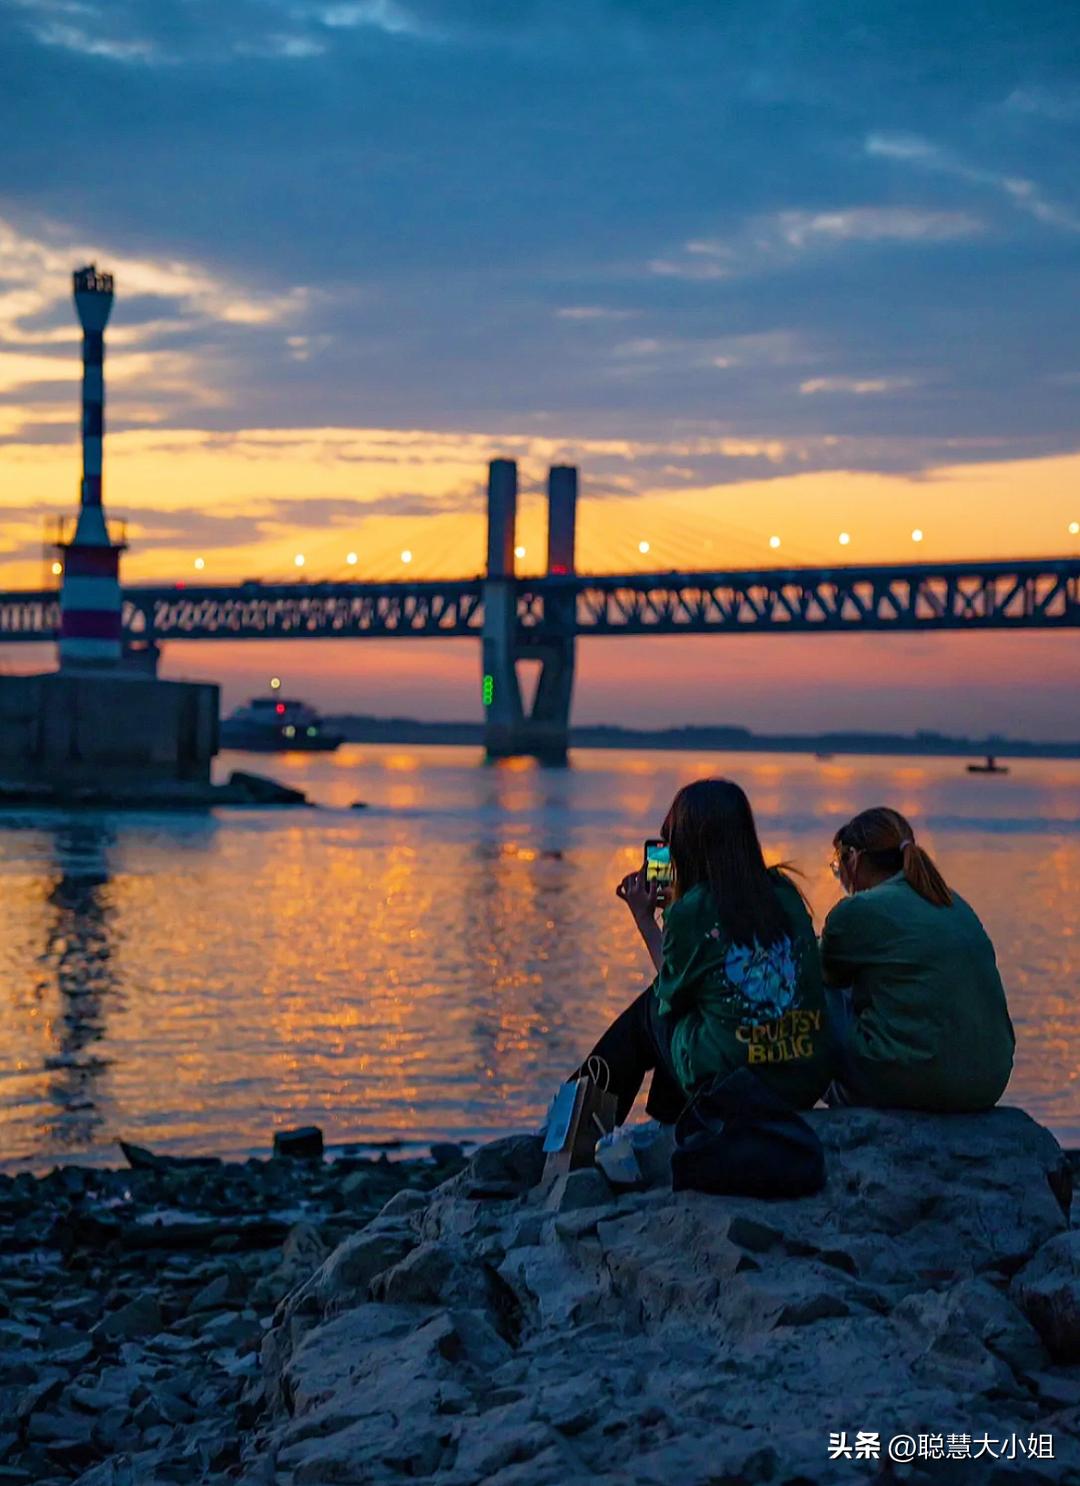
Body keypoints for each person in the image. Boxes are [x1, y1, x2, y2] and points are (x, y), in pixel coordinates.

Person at [578, 779, 831, 1125]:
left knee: (651, 1010)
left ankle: (576, 1123)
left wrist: (645, 919)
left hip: (735, 1086)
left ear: (686, 845)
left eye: (671, 841)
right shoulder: (783, 891)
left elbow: (671, 993)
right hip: (803, 1082)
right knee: (699, 1015)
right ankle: (668, 1120)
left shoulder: (694, 911)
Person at [821, 807, 1014, 1111]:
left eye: (838, 865)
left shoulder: (858, 910)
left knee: (812, 980)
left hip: (910, 1083)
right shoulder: (954, 902)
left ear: (854, 858)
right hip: (987, 1084)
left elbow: (819, 978)